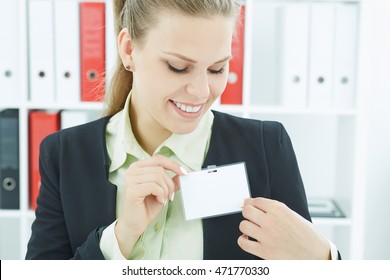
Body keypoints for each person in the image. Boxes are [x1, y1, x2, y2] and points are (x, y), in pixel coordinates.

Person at [26, 0, 339, 260]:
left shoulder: (268, 148)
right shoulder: (63, 154)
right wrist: (119, 237)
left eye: (217, 68)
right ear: (129, 50)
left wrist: (323, 258)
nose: (202, 91)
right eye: (178, 67)